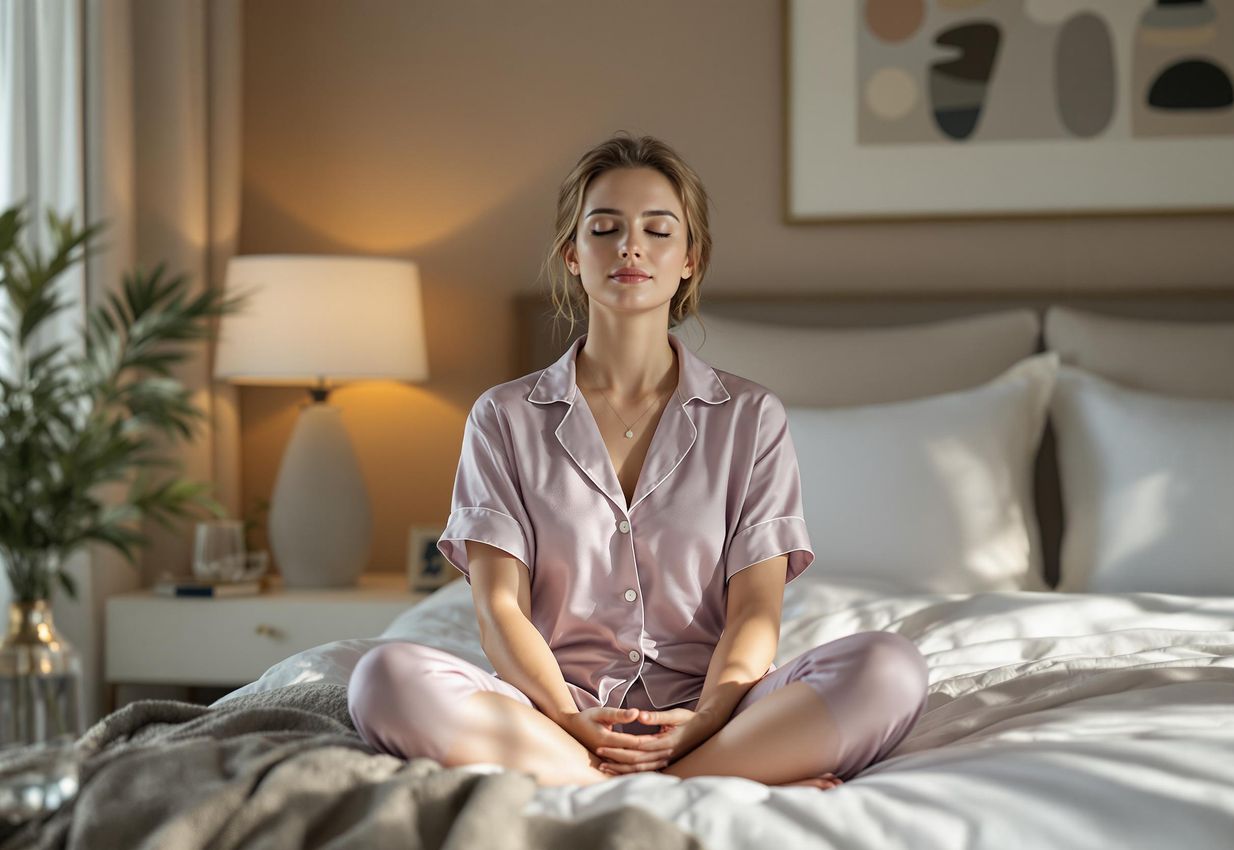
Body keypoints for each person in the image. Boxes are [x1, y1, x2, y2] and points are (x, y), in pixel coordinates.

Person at [347, 132, 929, 790]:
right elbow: (499, 610)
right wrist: (570, 719)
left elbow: (754, 612)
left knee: (890, 667)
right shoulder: (503, 418)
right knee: (383, 679)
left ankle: (648, 774)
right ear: (572, 254)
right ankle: (688, 780)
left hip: (719, 714)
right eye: (604, 229)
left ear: (690, 259)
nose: (631, 247)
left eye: (658, 230)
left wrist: (703, 722)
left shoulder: (750, 417)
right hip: (551, 715)